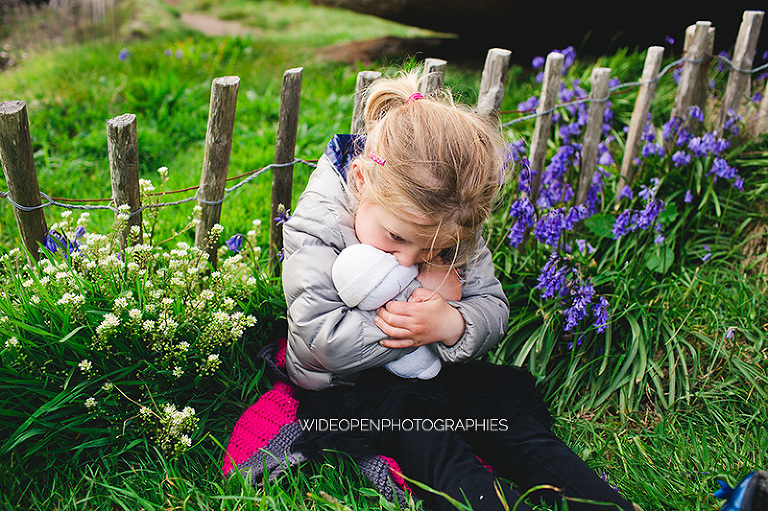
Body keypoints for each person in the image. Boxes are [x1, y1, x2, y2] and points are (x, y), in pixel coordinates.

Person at [280, 67, 642, 511]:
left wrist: (452, 324)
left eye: (432, 250)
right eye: (396, 238)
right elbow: (323, 340)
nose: (409, 259)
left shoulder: (449, 211)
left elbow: (491, 306)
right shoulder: (316, 226)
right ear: (360, 180)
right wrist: (420, 316)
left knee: (508, 423)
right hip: (353, 386)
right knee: (436, 450)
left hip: (439, 367)